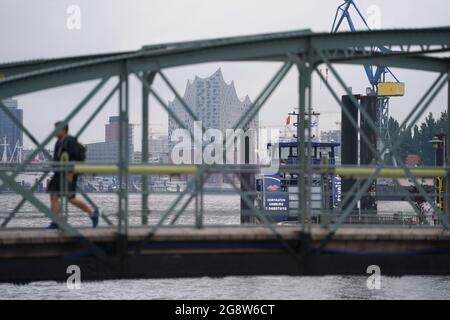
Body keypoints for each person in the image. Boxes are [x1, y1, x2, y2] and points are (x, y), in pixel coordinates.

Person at [46, 121, 99, 229]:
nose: (54, 132)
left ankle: (92, 213)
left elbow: (76, 159)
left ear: (63, 130)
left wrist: (72, 173)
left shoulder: (69, 141)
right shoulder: (58, 142)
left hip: (68, 174)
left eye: (56, 129)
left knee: (70, 198)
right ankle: (56, 221)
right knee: (53, 196)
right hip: (59, 173)